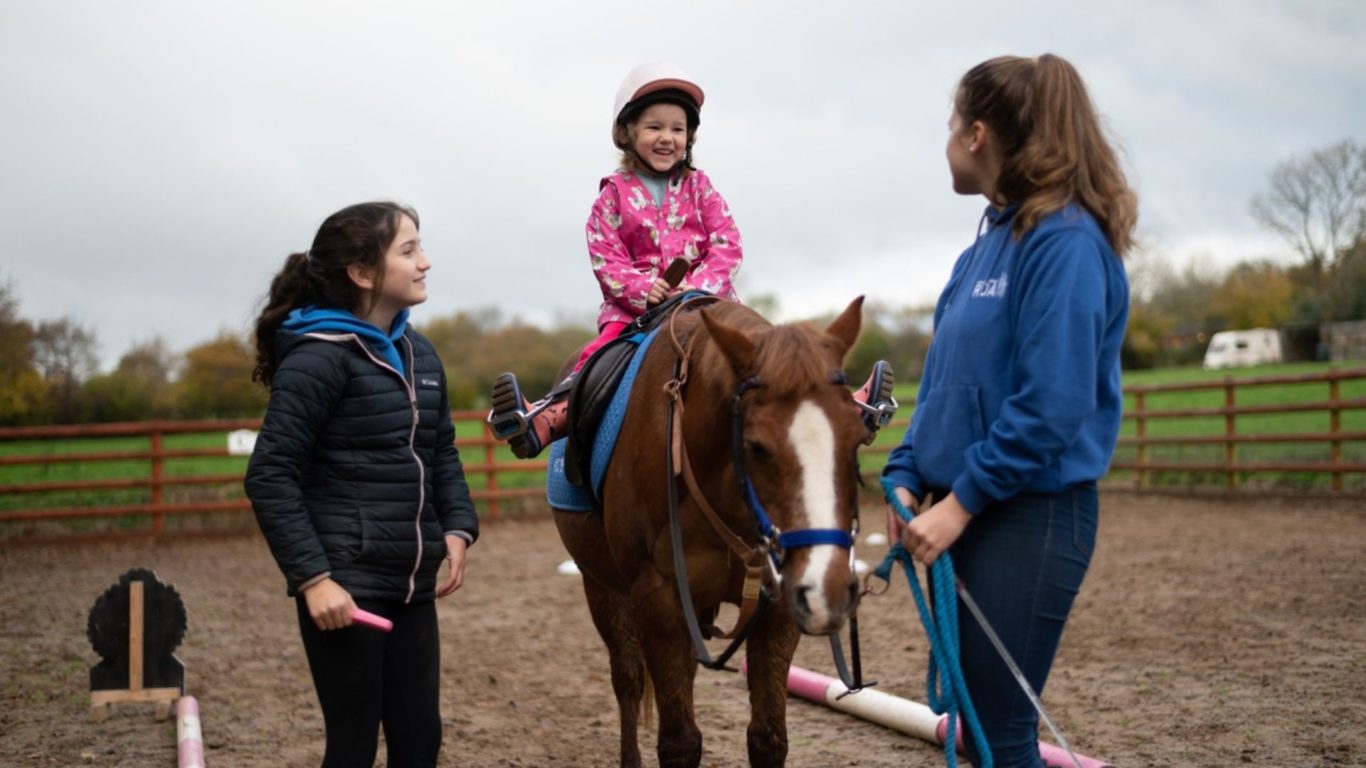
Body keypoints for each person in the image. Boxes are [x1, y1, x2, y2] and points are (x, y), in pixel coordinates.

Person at [881, 54, 1135, 768]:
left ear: (979, 135)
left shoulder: (1065, 243)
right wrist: (904, 470)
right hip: (971, 509)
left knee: (998, 735)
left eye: (951, 123)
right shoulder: (984, 246)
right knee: (977, 729)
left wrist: (959, 502)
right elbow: (945, 387)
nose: (947, 139)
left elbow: (1052, 403)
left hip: (1031, 515)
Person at [488, 61, 896, 458]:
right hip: (634, 314)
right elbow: (605, 256)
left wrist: (699, 285)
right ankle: (549, 418)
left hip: (706, 306)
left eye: (677, 129)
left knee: (773, 357)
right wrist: (643, 289)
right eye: (654, 127)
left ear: (690, 137)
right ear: (627, 132)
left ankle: (849, 409)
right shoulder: (611, 197)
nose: (667, 137)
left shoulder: (701, 188)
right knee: (597, 359)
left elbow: (727, 242)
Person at [245, 201, 479, 768]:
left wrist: (457, 526)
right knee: (352, 749)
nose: (425, 262)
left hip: (410, 580)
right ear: (363, 273)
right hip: (345, 590)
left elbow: (440, 448)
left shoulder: (419, 351)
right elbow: (269, 474)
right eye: (408, 250)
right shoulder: (318, 359)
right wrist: (314, 580)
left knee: (420, 741)